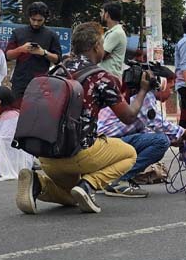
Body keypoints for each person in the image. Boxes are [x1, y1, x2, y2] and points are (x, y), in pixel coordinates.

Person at [15, 22, 139, 215]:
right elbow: (129, 117)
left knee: (71, 196)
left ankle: (37, 183)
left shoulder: (56, 71)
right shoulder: (101, 77)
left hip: (48, 155)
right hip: (79, 153)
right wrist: (144, 90)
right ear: (97, 46)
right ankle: (89, 185)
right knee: (130, 153)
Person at [97, 69, 186, 198]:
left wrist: (173, 140)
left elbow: (146, 130)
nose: (171, 92)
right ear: (162, 84)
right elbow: (158, 123)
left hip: (105, 144)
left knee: (162, 140)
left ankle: (113, 176)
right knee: (161, 142)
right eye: (171, 88)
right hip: (106, 145)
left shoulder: (135, 96)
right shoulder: (145, 97)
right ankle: (118, 179)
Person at [6, 1, 62, 101]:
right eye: (33, 19)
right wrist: (21, 49)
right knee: (16, 112)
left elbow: (57, 59)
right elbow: (8, 56)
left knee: (37, 113)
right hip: (20, 81)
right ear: (29, 17)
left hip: (41, 82)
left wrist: (43, 52)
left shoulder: (52, 35)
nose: (36, 23)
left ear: (45, 19)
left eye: (39, 20)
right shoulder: (18, 32)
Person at [98, 1, 127, 78]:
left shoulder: (116, 33)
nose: (100, 15)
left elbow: (99, 55)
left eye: (102, 12)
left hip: (110, 77)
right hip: (105, 75)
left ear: (107, 14)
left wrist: (98, 52)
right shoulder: (111, 32)